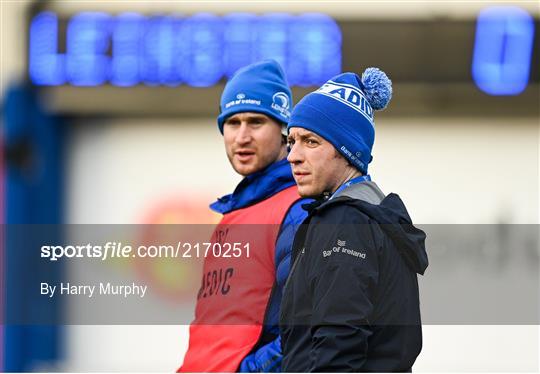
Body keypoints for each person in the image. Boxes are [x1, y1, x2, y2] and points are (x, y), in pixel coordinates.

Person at [280, 67, 429, 372]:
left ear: (348, 151)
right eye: (291, 141)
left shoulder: (345, 223)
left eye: (310, 142)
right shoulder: (375, 218)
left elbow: (337, 351)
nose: (293, 156)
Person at [180, 60, 308, 372]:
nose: (242, 136)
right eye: (232, 123)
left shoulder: (297, 210)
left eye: (255, 122)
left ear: (283, 130)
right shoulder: (233, 214)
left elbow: (306, 329)